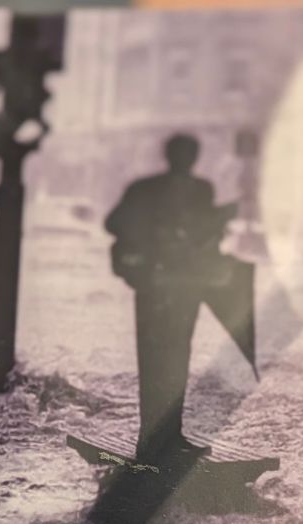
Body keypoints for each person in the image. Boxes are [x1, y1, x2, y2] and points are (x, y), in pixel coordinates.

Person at [105, 134, 239, 461]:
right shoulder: (155, 191)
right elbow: (115, 223)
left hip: (175, 286)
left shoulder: (189, 190)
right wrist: (158, 236)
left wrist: (215, 221)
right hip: (162, 286)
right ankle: (155, 441)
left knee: (170, 362)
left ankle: (168, 438)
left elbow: (202, 236)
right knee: (163, 362)